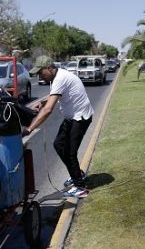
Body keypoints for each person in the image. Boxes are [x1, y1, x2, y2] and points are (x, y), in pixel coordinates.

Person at [24, 57, 94, 198]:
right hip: (71, 117)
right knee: (59, 144)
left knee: (69, 152)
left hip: (80, 118)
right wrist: (42, 102)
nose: (40, 76)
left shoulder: (60, 78)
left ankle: (80, 186)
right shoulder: (57, 77)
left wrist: (29, 129)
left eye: (41, 72)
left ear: (49, 68)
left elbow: (49, 110)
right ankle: (77, 174)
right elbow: (54, 96)